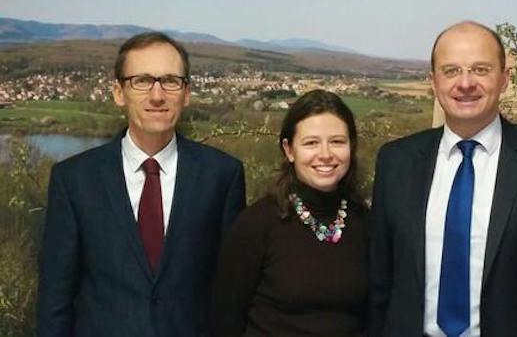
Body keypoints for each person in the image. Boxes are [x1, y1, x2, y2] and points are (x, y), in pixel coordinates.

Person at [369, 21, 517, 336]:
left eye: (480, 69)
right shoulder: (396, 161)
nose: (465, 83)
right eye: (451, 71)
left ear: (504, 79)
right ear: (433, 82)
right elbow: (380, 278)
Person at [37, 32, 246, 336]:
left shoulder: (222, 176)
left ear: (186, 93)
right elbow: (55, 297)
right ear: (119, 92)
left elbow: (231, 291)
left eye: (170, 81)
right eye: (142, 80)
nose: (157, 95)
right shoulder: (73, 181)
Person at [211, 89, 369, 336]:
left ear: (352, 146)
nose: (325, 154)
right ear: (289, 149)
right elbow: (224, 321)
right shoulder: (256, 225)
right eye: (311, 143)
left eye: (337, 141)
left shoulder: (366, 223)